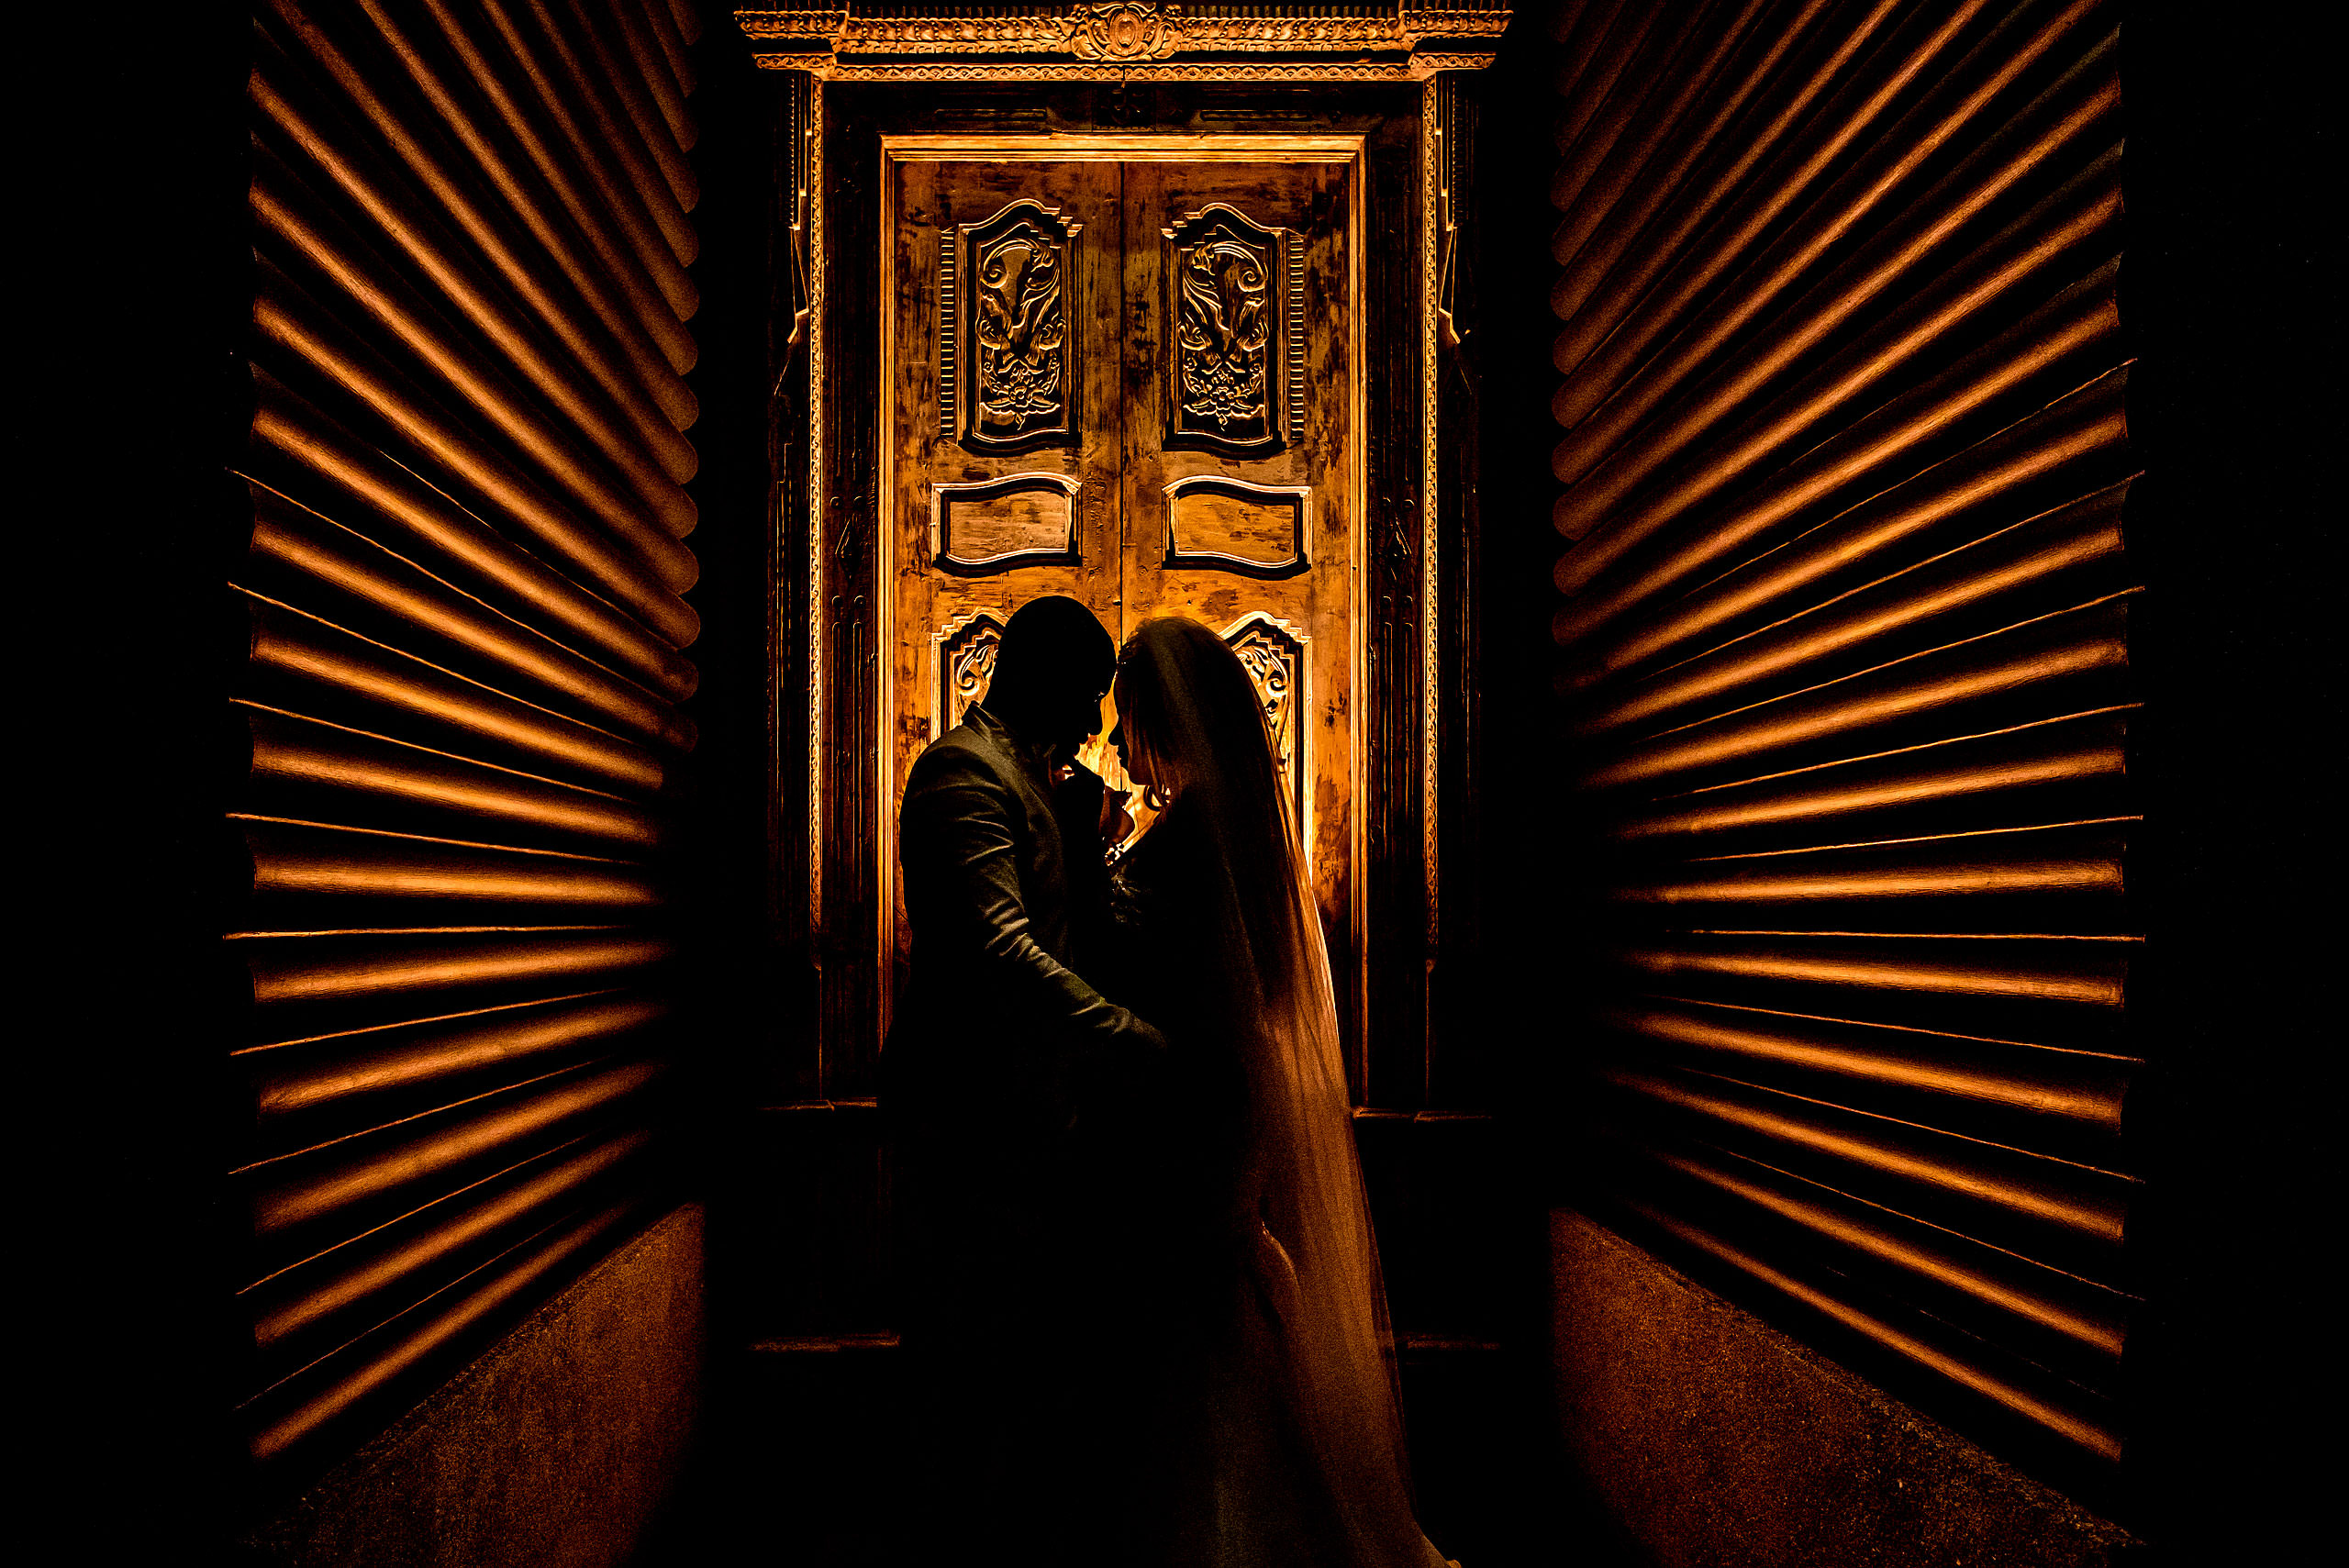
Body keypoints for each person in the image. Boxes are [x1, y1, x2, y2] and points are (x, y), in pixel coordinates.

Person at [1097, 615, 1456, 1568]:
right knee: (1222, 1288)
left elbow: (1139, 961)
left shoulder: (1189, 832)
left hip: (1188, 1101)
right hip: (1226, 1098)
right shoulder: (1242, 825)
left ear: (1159, 716)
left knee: (1197, 1304)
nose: (1118, 741)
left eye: (1127, 716)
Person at [884, 594, 1168, 1567]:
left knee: (1032, 1352)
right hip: (961, 1113)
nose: (1095, 724)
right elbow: (1000, 951)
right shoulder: (961, 773)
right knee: (966, 1348)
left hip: (1038, 1118)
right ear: (1040, 678)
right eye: (1087, 696)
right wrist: (1131, 1033)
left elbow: (1075, 918)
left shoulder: (1043, 777)